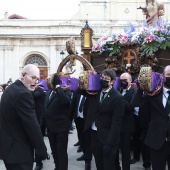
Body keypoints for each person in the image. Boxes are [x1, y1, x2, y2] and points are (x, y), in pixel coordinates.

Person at [0, 64, 49, 170]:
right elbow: (32, 126)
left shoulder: (10, 89)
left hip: (8, 150)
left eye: (38, 79)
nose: (36, 82)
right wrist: (42, 151)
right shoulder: (24, 94)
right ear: (22, 75)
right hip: (20, 154)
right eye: (33, 77)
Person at [80, 69, 125, 170]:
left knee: (108, 166)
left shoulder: (117, 97)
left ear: (112, 81)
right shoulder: (95, 92)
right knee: (99, 165)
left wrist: (109, 143)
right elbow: (80, 90)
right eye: (102, 77)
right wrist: (89, 76)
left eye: (106, 78)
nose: (103, 80)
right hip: (95, 135)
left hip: (108, 137)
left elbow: (116, 123)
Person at [134, 65, 170, 170]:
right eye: (168, 75)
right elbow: (134, 103)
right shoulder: (153, 94)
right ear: (163, 76)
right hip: (157, 142)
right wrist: (141, 87)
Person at [45, 73, 71, 170]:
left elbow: (66, 102)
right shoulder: (48, 93)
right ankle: (57, 167)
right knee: (54, 151)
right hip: (51, 129)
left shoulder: (65, 92)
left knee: (61, 152)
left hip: (61, 129)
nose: (48, 82)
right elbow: (46, 110)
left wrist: (58, 87)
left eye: (49, 80)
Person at [115, 72, 136, 170]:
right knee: (114, 150)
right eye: (121, 80)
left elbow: (130, 107)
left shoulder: (134, 92)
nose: (123, 82)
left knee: (125, 151)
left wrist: (119, 96)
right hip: (116, 126)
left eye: (125, 80)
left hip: (126, 126)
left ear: (130, 81)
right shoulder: (117, 90)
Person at [31, 85, 46, 170]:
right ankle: (43, 154)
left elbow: (33, 95)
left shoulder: (40, 91)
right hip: (31, 118)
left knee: (38, 141)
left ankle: (38, 163)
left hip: (39, 120)